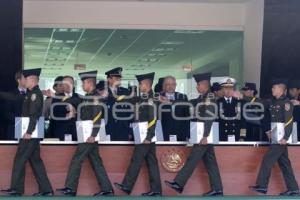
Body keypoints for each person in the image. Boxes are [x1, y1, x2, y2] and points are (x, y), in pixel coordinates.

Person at [234, 79, 299, 196]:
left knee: (267, 160)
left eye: (274, 88)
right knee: (285, 164)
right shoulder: (272, 101)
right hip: (276, 136)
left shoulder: (287, 103)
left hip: (281, 138)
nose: (272, 89)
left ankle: (262, 186)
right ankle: (293, 188)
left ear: (281, 89)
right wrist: (241, 97)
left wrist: (285, 137)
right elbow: (257, 101)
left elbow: (289, 121)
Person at [56, 71, 114, 196]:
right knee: (96, 162)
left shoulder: (95, 98)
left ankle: (71, 187)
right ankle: (107, 189)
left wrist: (93, 135)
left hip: (89, 136)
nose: (82, 86)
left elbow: (97, 117)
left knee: (77, 159)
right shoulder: (87, 97)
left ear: (89, 83)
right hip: (85, 134)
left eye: (83, 83)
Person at [165, 73, 223, 197]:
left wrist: (205, 136)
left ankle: (179, 183)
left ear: (203, 85)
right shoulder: (203, 97)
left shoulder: (209, 98)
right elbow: (188, 103)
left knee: (193, 158)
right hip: (204, 135)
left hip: (205, 135)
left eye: (198, 85)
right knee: (210, 163)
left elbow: (209, 118)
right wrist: (170, 101)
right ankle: (217, 189)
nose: (197, 87)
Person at [1, 68, 53, 196]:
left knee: (20, 158)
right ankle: (46, 190)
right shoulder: (32, 93)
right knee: (36, 161)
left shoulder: (35, 94)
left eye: (25, 79)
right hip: (33, 133)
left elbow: (34, 115)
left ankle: (17, 189)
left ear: (31, 79)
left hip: (31, 133)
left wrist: (29, 131)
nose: (24, 81)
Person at [114, 72, 162, 196]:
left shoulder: (151, 99)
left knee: (136, 159)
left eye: (140, 84)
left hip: (146, 135)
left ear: (146, 84)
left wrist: (149, 136)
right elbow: (124, 98)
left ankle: (127, 186)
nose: (140, 87)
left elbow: (153, 119)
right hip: (143, 134)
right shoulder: (143, 98)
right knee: (151, 162)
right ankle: (156, 190)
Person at [102, 67, 132, 141]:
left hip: (123, 130)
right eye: (116, 78)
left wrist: (130, 131)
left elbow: (130, 112)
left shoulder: (125, 92)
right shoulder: (102, 92)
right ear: (109, 79)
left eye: (120, 78)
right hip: (107, 130)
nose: (119, 79)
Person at [159, 76, 190, 141]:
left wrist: (188, 134)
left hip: (181, 134)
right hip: (163, 134)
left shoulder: (183, 97)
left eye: (173, 84)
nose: (171, 87)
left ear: (176, 85)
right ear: (164, 86)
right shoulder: (158, 98)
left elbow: (187, 116)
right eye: (168, 84)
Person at [3, 71, 27, 140]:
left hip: (31, 131)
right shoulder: (11, 94)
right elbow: (7, 113)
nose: (27, 80)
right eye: (25, 78)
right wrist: (20, 119)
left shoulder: (32, 94)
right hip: (15, 129)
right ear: (19, 80)